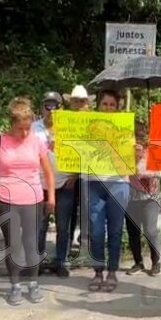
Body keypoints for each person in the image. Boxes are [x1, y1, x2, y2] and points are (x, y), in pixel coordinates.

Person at [0, 98, 55, 306]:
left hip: (33, 199)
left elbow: (48, 172)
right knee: (13, 244)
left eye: (27, 128)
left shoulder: (36, 141)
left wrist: (51, 197)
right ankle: (15, 285)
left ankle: (33, 283)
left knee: (32, 244)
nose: (24, 133)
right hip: (7, 200)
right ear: (11, 123)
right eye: (20, 128)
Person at [87, 91, 130, 293]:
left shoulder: (125, 129)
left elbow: (131, 160)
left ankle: (112, 271)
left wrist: (136, 151)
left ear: (117, 107)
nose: (108, 108)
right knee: (96, 231)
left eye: (112, 104)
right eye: (104, 104)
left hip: (118, 183)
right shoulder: (88, 127)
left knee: (115, 231)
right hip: (93, 183)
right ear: (98, 106)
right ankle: (97, 272)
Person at [32, 90, 76, 276]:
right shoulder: (33, 128)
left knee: (63, 226)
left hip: (64, 183)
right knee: (39, 226)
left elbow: (80, 152)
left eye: (55, 106)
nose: (51, 110)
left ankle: (61, 261)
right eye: (47, 106)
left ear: (61, 108)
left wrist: (74, 175)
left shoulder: (70, 127)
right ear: (42, 108)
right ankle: (37, 262)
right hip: (40, 184)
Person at [125, 121, 161, 275]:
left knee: (150, 230)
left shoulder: (154, 151)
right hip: (130, 197)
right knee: (133, 231)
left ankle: (156, 262)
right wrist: (133, 159)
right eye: (135, 137)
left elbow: (159, 172)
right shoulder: (125, 152)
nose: (138, 141)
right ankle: (138, 262)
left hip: (150, 197)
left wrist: (144, 172)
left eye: (141, 137)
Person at [67, 84, 90, 263]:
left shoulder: (93, 121)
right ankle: (68, 246)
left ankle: (84, 246)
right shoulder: (64, 121)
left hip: (88, 174)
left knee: (87, 210)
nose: (79, 104)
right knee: (70, 211)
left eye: (82, 101)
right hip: (68, 173)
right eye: (76, 101)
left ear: (87, 103)